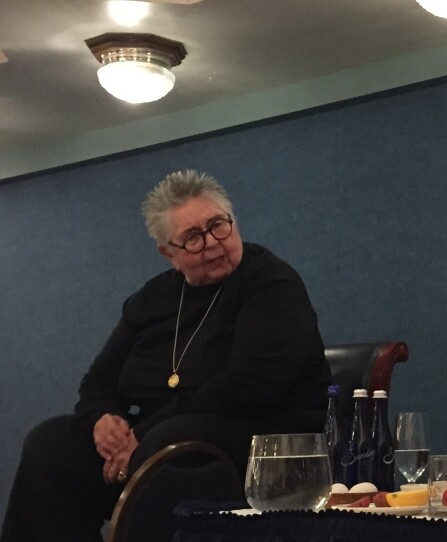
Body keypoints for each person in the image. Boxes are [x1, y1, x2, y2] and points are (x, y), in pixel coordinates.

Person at [1, 170, 331, 541]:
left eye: (218, 225)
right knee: (52, 443)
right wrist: (103, 421)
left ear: (233, 221)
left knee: (172, 441)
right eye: (192, 237)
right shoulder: (152, 299)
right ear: (168, 253)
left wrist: (141, 436)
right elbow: (98, 380)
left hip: (265, 441)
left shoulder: (271, 283)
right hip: (157, 442)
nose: (210, 242)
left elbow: (249, 386)